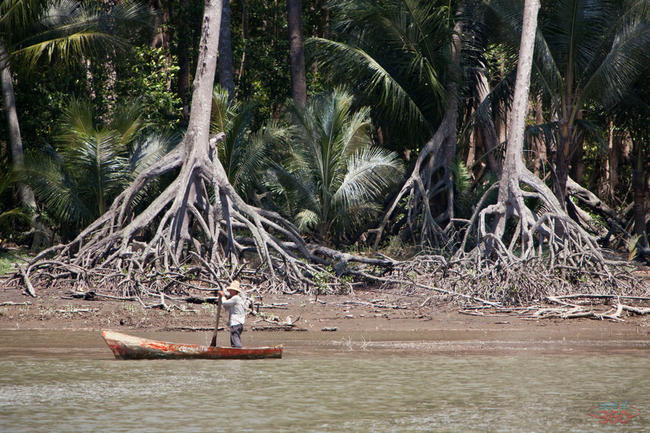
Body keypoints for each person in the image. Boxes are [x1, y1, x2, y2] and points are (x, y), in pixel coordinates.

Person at [217, 281, 246, 348]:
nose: (229, 291)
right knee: (235, 338)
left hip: (236, 322)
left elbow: (224, 303)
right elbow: (227, 307)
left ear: (235, 291)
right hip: (238, 323)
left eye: (231, 290)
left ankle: (238, 352)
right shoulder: (236, 299)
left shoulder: (236, 298)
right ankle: (237, 351)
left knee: (235, 339)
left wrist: (223, 296)